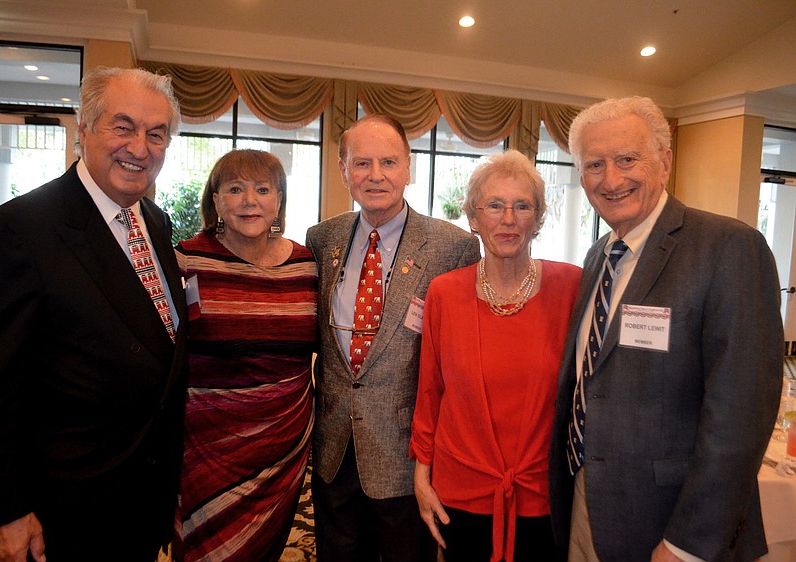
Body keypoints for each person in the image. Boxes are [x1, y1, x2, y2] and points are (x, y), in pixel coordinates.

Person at [0, 66, 187, 562]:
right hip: (59, 515)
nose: (139, 147)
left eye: (156, 133)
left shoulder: (157, 225)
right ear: (84, 129)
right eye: (122, 127)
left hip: (139, 502)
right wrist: (2, 511)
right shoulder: (18, 230)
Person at [547, 96, 783, 562]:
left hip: (673, 524)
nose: (611, 180)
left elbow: (739, 416)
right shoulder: (599, 256)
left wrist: (686, 544)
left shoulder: (729, 248)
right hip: (587, 502)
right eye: (594, 164)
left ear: (665, 162)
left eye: (627, 159)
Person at [305, 114, 481, 561]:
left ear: (409, 168)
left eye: (388, 162)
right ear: (343, 170)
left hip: (406, 457)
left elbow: (457, 360)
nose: (376, 175)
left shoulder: (453, 247)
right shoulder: (321, 239)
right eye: (361, 163)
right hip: (334, 448)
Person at [410, 150, 581, 562]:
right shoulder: (444, 292)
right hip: (462, 490)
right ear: (472, 218)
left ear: (539, 219)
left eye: (523, 206)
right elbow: (431, 389)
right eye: (494, 206)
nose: (508, 219)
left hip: (543, 493)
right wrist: (421, 474)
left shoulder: (572, 286)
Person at [173, 149, 317, 562]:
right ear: (216, 201)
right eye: (235, 189)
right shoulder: (187, 260)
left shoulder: (306, 264)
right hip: (207, 447)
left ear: (279, 201)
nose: (249, 201)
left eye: (262, 189)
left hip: (283, 445)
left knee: (265, 549)